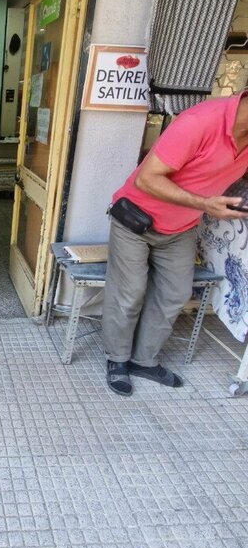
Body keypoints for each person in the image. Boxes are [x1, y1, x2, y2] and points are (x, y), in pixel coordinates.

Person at [103, 89, 248, 396]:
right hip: (135, 220)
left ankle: (143, 360)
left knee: (174, 293)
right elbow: (147, 179)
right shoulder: (200, 121)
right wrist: (205, 203)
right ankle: (117, 359)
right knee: (130, 292)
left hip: (180, 227)